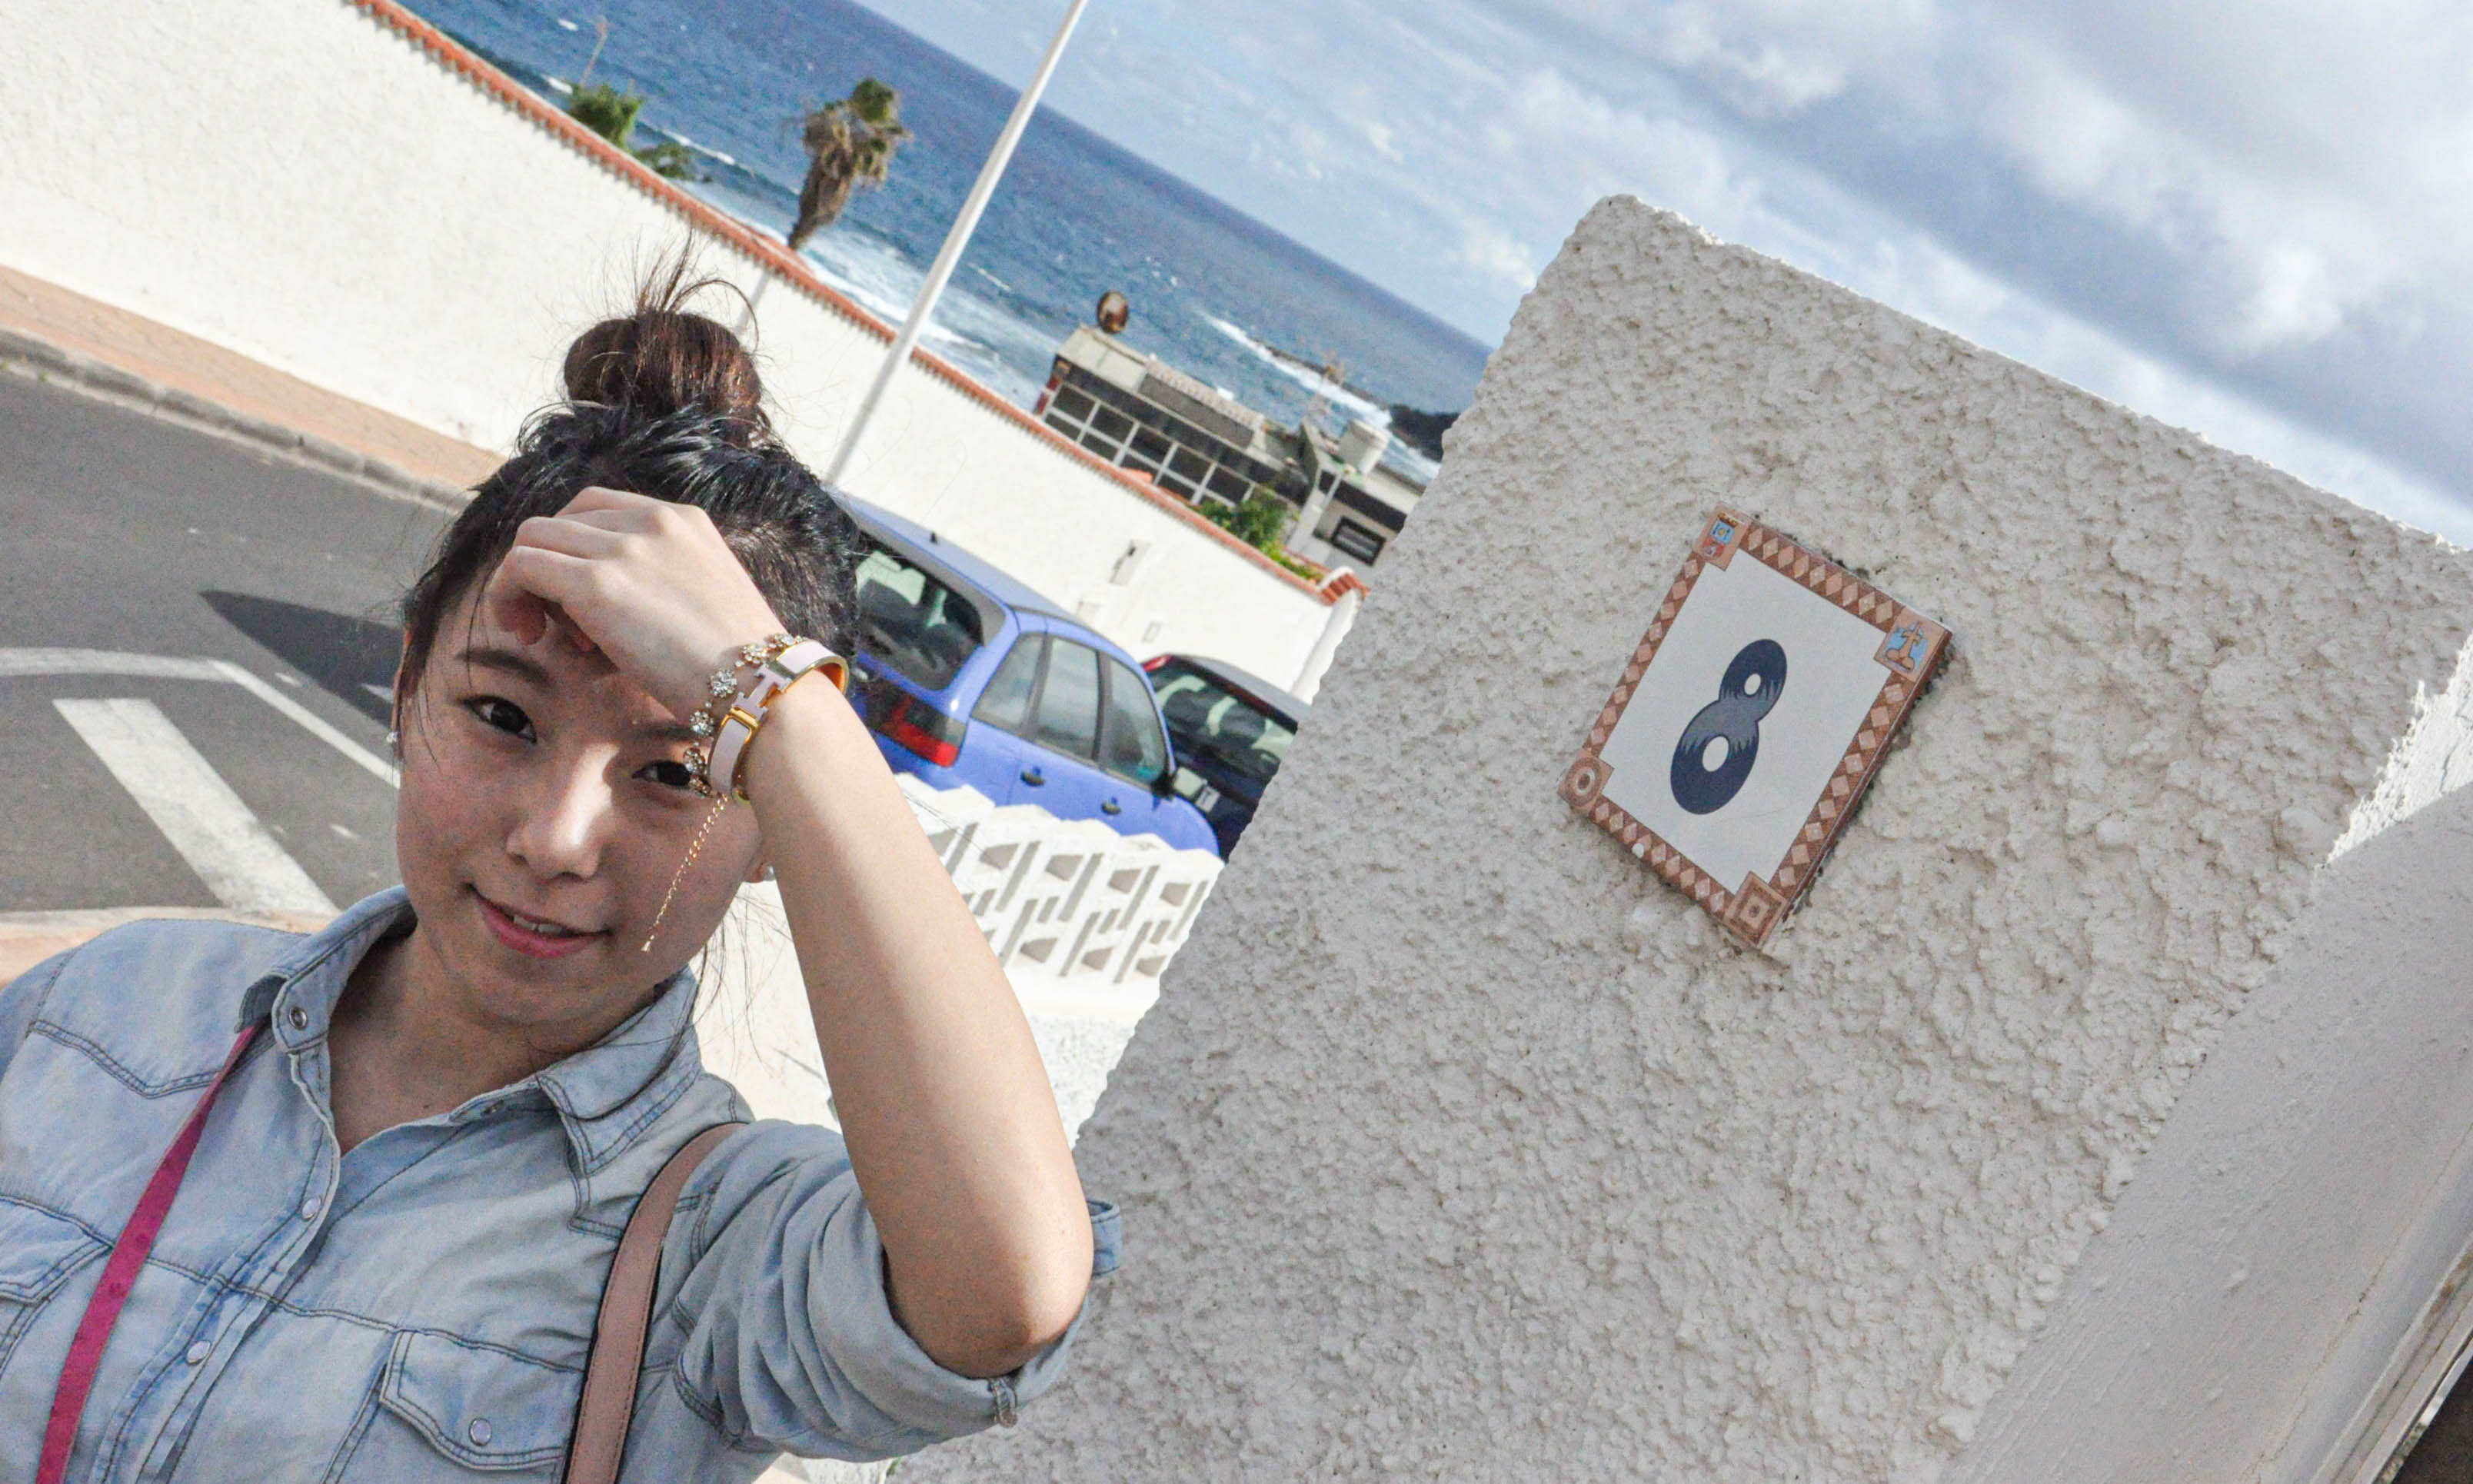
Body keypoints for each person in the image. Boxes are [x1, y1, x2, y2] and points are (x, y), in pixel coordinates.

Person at [0, 269, 1112, 1480]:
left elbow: (1005, 1291)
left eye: (676, 773)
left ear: (767, 834)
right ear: (408, 681)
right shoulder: (109, 1007)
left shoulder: (709, 1250)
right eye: (502, 714)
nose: (557, 837)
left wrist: (777, 703)